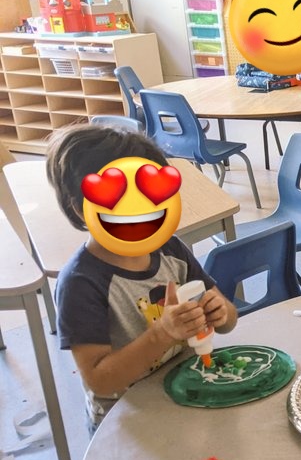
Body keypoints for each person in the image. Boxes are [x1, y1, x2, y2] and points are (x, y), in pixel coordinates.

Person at [48, 125, 238, 431]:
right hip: (126, 424)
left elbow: (228, 318)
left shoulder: (171, 249)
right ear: (81, 209)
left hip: (184, 397)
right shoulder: (80, 282)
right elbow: (100, 380)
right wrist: (162, 334)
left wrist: (221, 312)